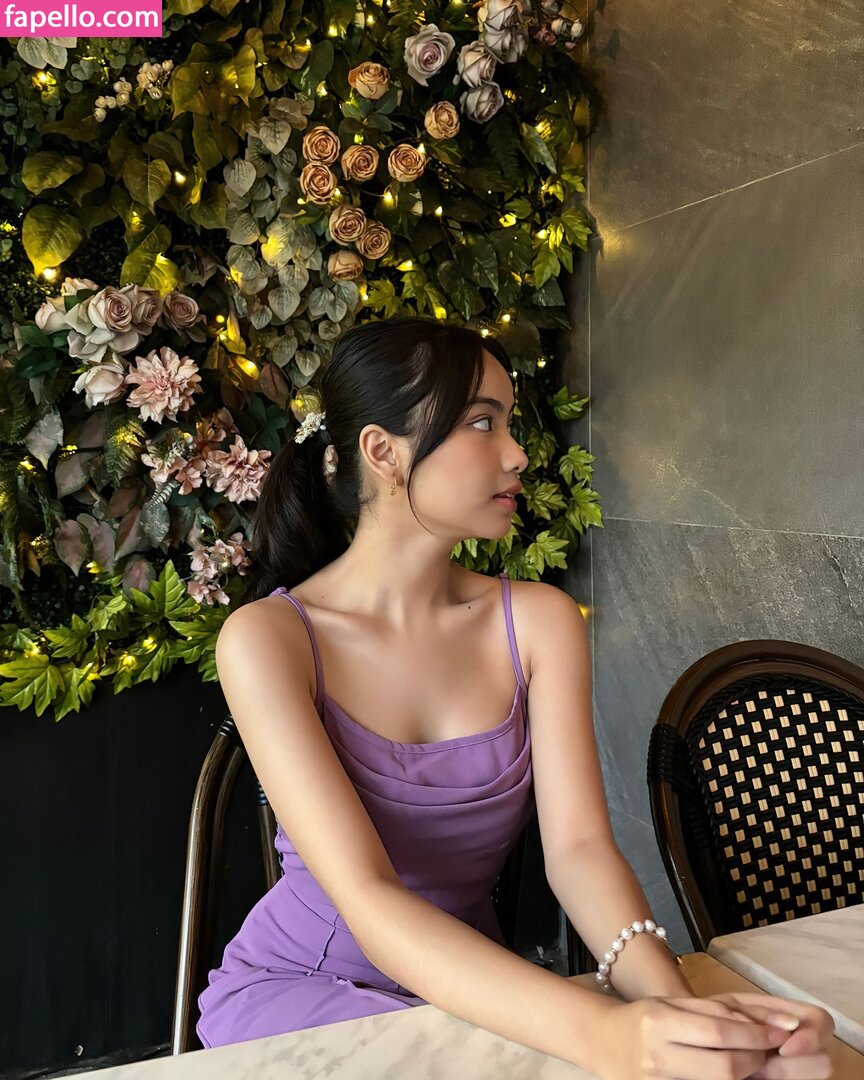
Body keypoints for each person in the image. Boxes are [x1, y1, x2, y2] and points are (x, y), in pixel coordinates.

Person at [197, 317, 834, 1078]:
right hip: (301, 999)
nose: (518, 453)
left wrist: (674, 1011)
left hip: (483, 995)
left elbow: (580, 853)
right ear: (382, 451)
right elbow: (369, 898)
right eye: (481, 422)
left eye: (509, 422)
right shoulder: (268, 639)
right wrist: (607, 1034)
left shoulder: (538, 621)